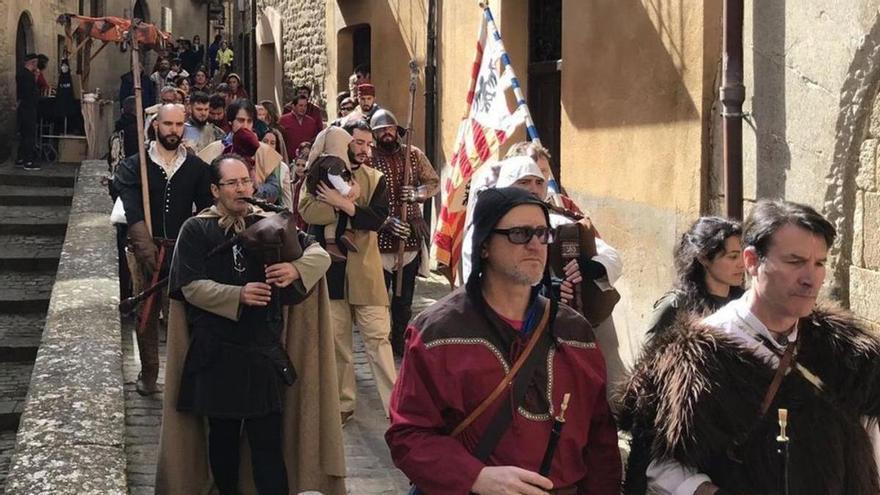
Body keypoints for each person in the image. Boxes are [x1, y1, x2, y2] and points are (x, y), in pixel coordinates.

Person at [619, 199, 880, 495]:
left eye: (819, 263)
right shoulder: (697, 356)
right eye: (795, 262)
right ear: (752, 261)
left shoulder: (846, 351)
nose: (811, 279)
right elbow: (659, 464)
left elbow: (871, 441)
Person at [386, 186, 622, 494]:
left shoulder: (574, 331)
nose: (535, 245)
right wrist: (475, 476)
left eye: (542, 234)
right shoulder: (438, 332)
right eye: (520, 234)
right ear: (484, 244)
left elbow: (600, 439)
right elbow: (408, 434)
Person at [157, 154, 346, 495]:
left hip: (262, 353)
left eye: (246, 180)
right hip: (215, 354)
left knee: (268, 445)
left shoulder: (271, 224)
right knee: (224, 442)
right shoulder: (197, 229)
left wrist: (296, 270)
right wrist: (238, 295)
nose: (242, 189)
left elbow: (317, 253)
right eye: (232, 183)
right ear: (215, 190)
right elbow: (190, 287)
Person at [113, 103, 213, 395]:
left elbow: (206, 208)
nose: (173, 130)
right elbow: (132, 213)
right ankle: (149, 373)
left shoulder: (196, 167)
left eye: (179, 125)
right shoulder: (136, 165)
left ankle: (183, 376)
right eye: (168, 124)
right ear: (156, 125)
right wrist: (149, 252)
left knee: (181, 316)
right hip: (145, 249)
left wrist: (187, 249)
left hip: (183, 251)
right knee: (145, 314)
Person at [299, 122, 395, 422]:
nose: (365, 149)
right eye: (359, 142)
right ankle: (343, 405)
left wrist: (343, 204)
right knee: (338, 343)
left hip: (366, 272)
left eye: (369, 144)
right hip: (332, 272)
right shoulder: (319, 172)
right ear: (345, 143)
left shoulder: (375, 179)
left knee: (378, 341)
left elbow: (377, 219)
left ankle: (397, 408)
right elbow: (307, 212)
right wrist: (337, 206)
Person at [368, 109, 439, 357]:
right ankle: (381, 341)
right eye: (380, 130)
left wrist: (418, 193)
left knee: (405, 299)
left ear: (397, 130)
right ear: (374, 133)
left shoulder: (414, 155)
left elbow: (433, 182)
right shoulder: (367, 156)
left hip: (408, 235)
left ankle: (399, 339)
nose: (386, 134)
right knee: (378, 299)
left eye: (389, 129)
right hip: (377, 238)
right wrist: (382, 221)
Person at [644, 217, 744, 337]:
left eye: (744, 255)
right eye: (733, 257)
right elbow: (650, 354)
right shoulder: (676, 305)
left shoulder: (744, 303)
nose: (743, 264)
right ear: (704, 258)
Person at [198, 99, 286, 207]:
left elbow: (274, 190)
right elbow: (203, 189)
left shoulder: (263, 150)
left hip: (255, 214)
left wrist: (255, 189)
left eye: (249, 121)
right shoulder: (214, 149)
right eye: (241, 120)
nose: (245, 125)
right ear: (231, 121)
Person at [16, 53, 40, 170]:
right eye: (36, 62)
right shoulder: (28, 76)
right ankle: (28, 161)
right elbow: (30, 92)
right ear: (32, 62)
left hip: (23, 107)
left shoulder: (21, 74)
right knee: (29, 134)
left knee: (24, 133)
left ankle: (20, 158)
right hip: (28, 108)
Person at [279, 94, 321, 161]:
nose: (303, 108)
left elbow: (316, 140)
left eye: (305, 106)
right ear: (293, 106)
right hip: (288, 160)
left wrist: (309, 147)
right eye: (300, 105)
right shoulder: (283, 120)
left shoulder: (311, 122)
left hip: (307, 161)